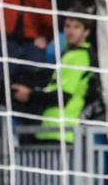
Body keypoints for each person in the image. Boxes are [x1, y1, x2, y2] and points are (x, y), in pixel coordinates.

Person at [11, 9, 103, 144]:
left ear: (86, 31)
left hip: (62, 132)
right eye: (67, 26)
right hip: (52, 130)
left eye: (77, 27)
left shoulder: (78, 57)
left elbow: (63, 96)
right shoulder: (69, 54)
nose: (70, 31)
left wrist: (30, 95)